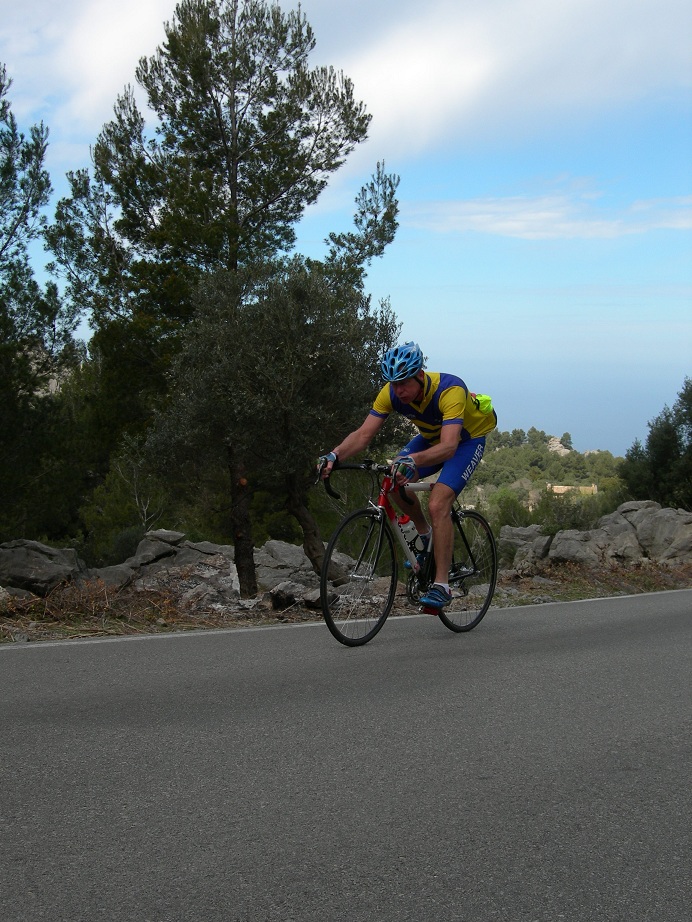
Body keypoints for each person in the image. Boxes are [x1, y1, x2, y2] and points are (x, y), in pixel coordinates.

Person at [319, 341, 497, 610]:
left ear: (420, 376)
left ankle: (442, 585)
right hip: (431, 438)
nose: (398, 390)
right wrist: (335, 455)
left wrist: (412, 460)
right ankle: (425, 536)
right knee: (392, 481)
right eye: (394, 384)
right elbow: (363, 435)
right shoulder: (390, 393)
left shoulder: (450, 390)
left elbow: (449, 447)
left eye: (403, 383)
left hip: (465, 441)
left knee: (438, 503)